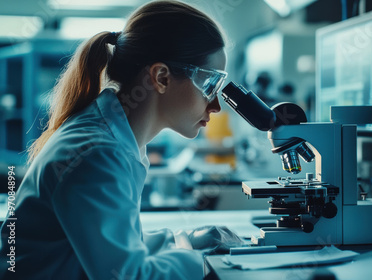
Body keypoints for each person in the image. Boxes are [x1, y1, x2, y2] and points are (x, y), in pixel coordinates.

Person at [0, 1, 243, 279]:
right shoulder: (98, 153)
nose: (215, 105)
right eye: (209, 84)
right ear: (161, 77)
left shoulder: (116, 139)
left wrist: (184, 240)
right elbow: (128, 275)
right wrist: (203, 263)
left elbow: (117, 246)